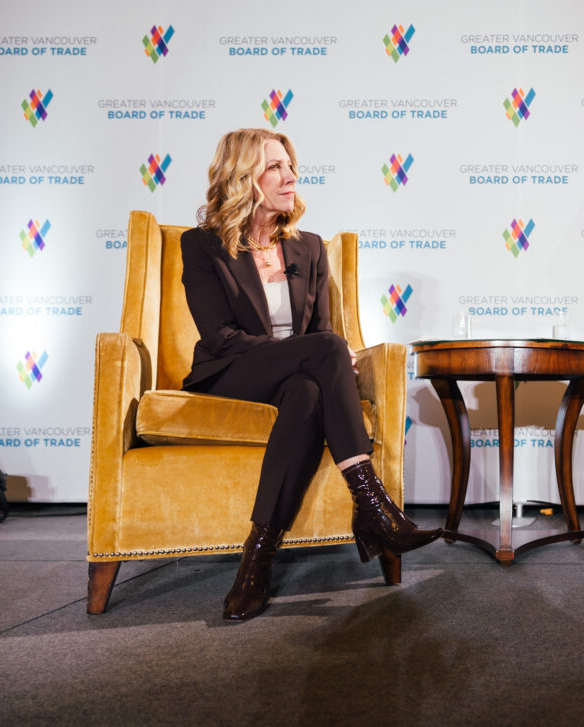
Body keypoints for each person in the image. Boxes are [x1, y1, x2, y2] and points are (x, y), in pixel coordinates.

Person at [181, 128, 442, 621]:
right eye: (275, 167)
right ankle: (372, 504)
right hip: (230, 371)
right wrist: (309, 352)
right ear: (242, 176)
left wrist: (311, 355)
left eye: (290, 165)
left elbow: (318, 330)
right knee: (323, 350)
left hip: (291, 379)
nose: (291, 176)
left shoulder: (310, 248)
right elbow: (219, 337)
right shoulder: (203, 246)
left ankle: (255, 562)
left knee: (305, 391)